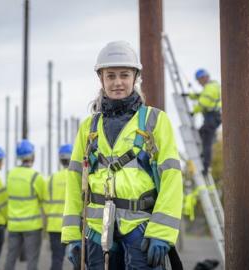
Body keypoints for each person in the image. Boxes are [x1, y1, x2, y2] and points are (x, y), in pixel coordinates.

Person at [62, 41, 183, 270]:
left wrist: (162, 232)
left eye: (124, 75)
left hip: (142, 230)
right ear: (101, 79)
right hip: (96, 233)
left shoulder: (154, 121)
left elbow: (172, 178)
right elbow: (74, 181)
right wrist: (71, 235)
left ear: (135, 77)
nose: (118, 82)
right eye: (111, 76)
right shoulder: (89, 127)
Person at [4, 139, 45, 270]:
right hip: (32, 225)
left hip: (14, 224)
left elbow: (8, 195)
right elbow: (42, 197)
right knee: (32, 259)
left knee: (11, 257)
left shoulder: (10, 174)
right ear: (32, 155)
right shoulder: (35, 176)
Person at [185, 69, 222, 175]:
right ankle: (202, 156)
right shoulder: (211, 87)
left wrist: (193, 112)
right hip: (212, 117)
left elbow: (203, 103)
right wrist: (189, 96)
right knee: (201, 133)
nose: (198, 82)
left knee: (206, 142)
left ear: (204, 77)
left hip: (212, 117)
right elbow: (200, 96)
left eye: (199, 80)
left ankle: (205, 167)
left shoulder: (210, 88)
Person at [43, 144, 73, 270]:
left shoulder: (51, 178)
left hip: (54, 226)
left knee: (57, 259)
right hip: (74, 225)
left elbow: (45, 202)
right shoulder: (77, 176)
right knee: (77, 259)